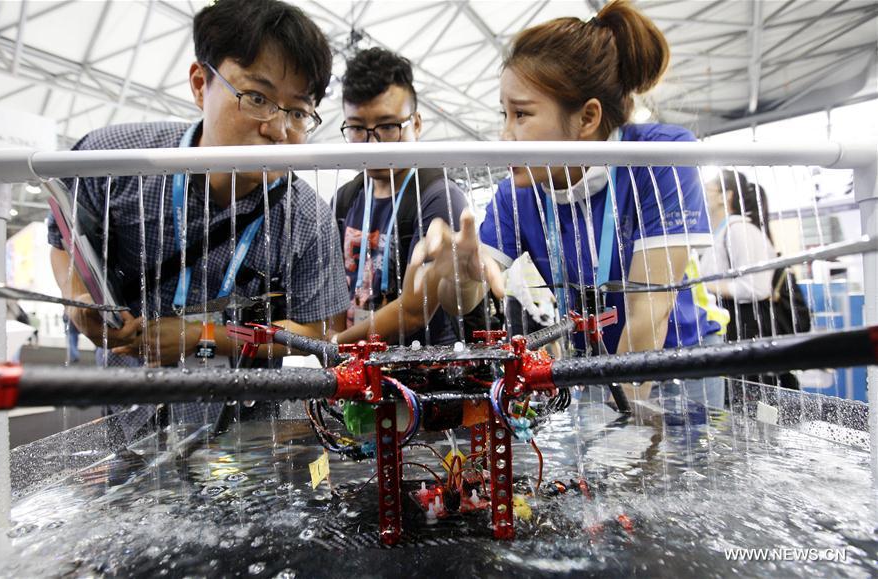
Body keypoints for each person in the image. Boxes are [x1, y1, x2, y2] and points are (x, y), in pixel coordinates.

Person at [48, 0, 348, 441]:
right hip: (128, 417)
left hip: (246, 432)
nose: (278, 130)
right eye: (258, 98)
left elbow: (317, 331)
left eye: (299, 112)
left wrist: (201, 336)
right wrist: (77, 298)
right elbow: (63, 239)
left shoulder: (308, 218)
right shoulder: (113, 163)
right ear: (199, 84)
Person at [410, 0, 723, 407]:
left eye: (521, 115)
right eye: (504, 114)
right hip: (595, 371)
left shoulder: (659, 159)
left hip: (679, 368)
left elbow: (650, 314)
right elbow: (462, 301)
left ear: (587, 118)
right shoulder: (517, 192)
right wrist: (462, 273)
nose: (505, 135)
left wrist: (623, 428)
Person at [331, 47, 471, 346]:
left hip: (420, 367)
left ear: (416, 124)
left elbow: (415, 311)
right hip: (356, 365)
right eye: (357, 128)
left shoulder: (438, 197)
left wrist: (335, 346)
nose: (372, 144)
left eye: (388, 127)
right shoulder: (345, 199)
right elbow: (333, 291)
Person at [700, 170, 800, 391]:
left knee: (750, 399)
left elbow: (756, 287)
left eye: (706, 189)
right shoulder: (721, 232)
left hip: (746, 332)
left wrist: (703, 286)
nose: (701, 195)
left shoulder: (740, 230)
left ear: (725, 196)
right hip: (732, 332)